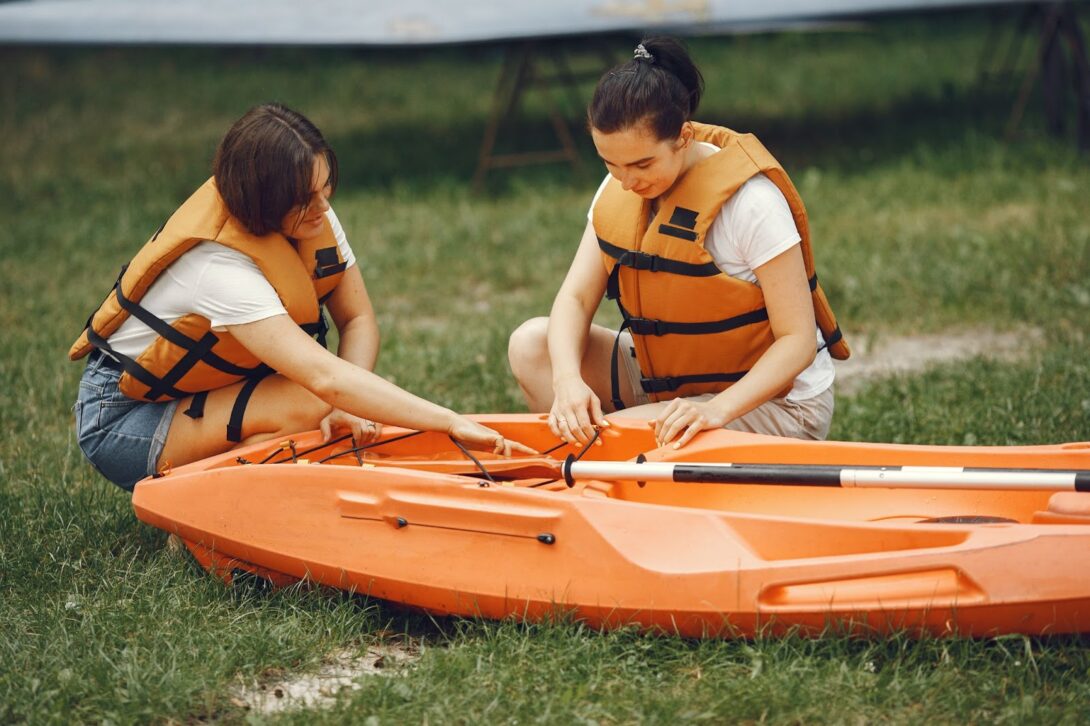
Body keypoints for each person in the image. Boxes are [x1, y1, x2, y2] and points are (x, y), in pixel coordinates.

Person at [71, 103, 531, 491]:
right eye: (307, 198)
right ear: (262, 201)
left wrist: (346, 406)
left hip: (209, 395)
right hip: (124, 418)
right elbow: (324, 380)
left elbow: (359, 320)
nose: (325, 207)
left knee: (323, 415)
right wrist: (447, 421)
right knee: (309, 408)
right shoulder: (218, 264)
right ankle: (196, 521)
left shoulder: (311, 218)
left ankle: (230, 497)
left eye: (325, 188)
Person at [508, 37, 850, 450]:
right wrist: (567, 382)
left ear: (684, 137)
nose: (628, 181)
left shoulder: (751, 203)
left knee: (620, 440)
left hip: (777, 404)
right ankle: (594, 468)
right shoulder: (620, 187)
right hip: (670, 385)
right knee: (531, 345)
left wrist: (714, 411)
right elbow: (576, 299)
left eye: (642, 164)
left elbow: (796, 342)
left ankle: (597, 475)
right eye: (610, 164)